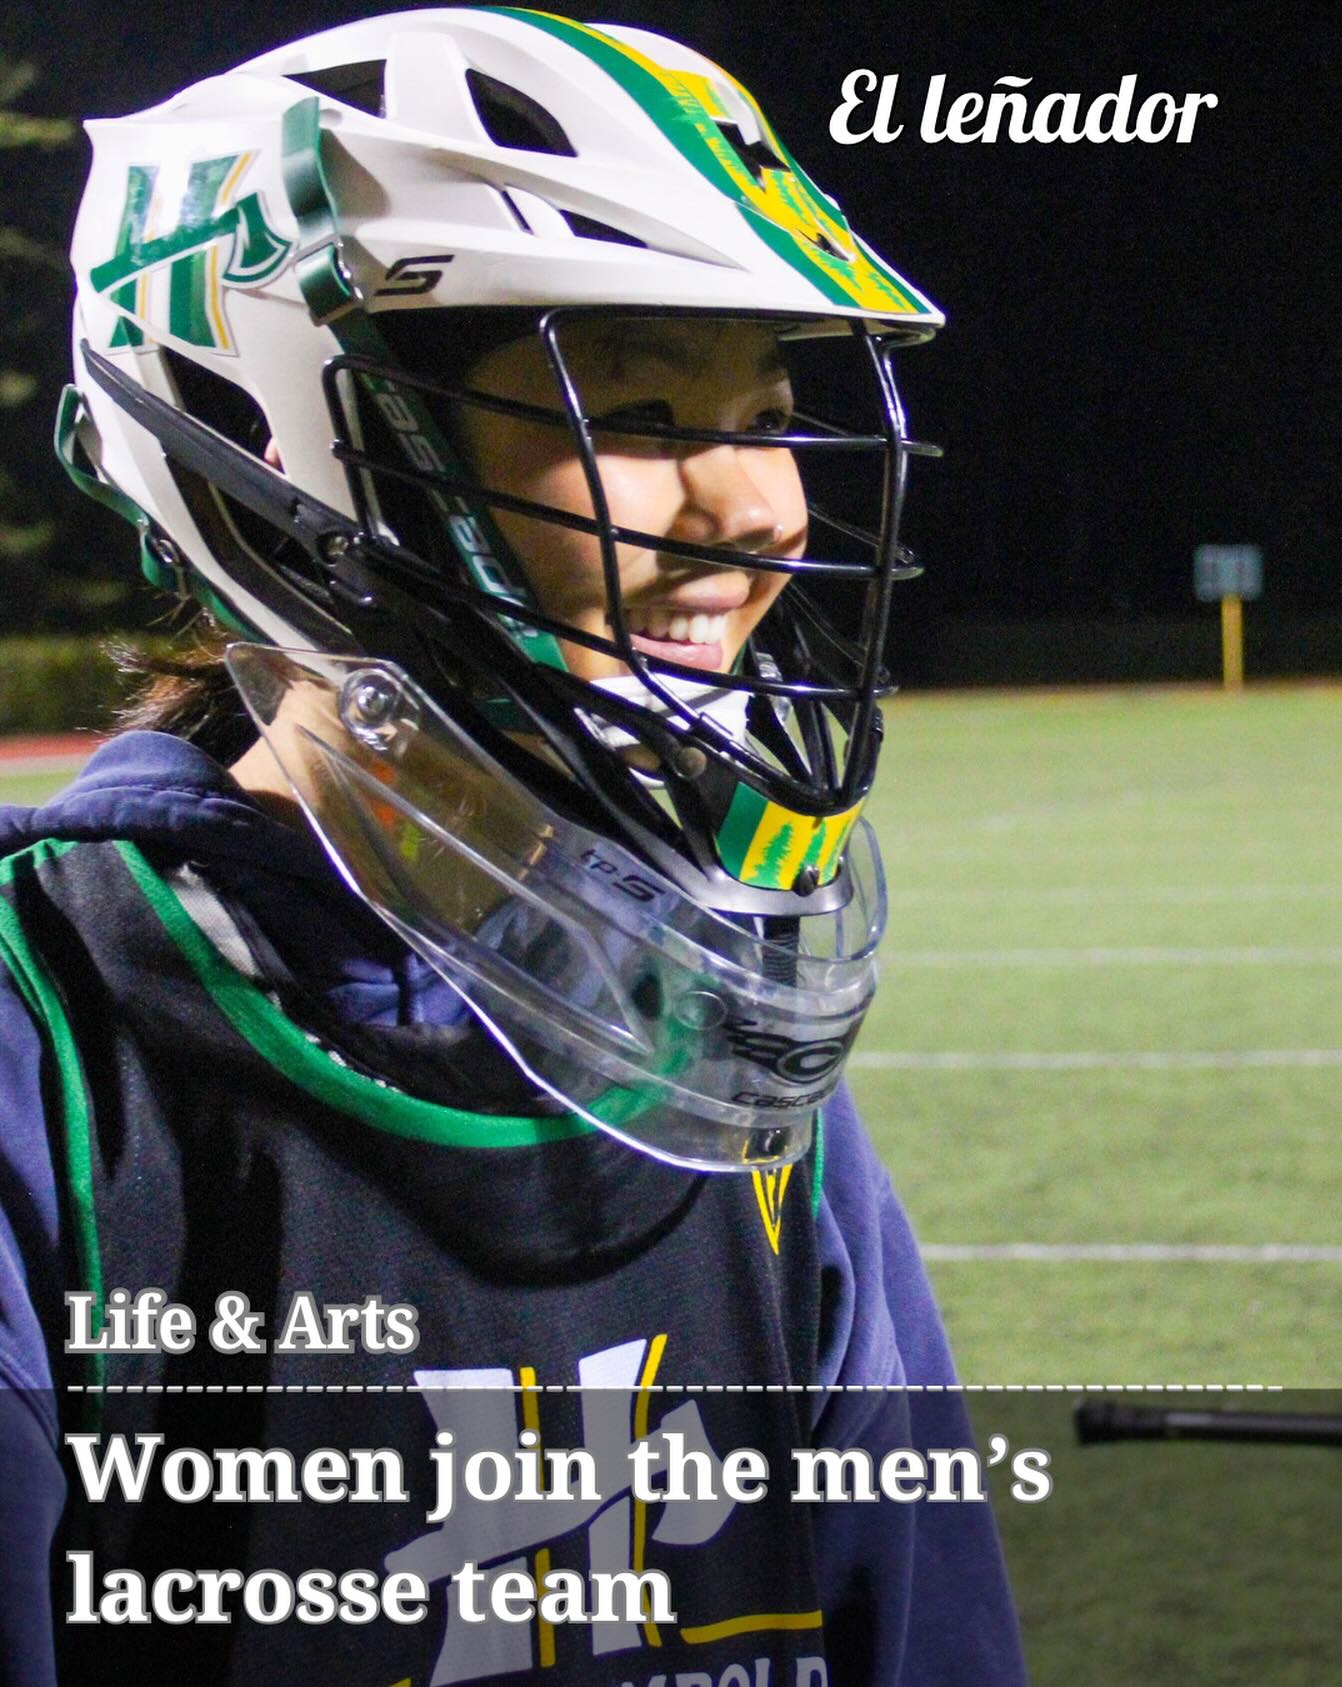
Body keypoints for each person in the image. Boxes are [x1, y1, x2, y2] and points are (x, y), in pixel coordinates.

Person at [0, 10, 1025, 1683]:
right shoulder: (46, 1048)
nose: (760, 507)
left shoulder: (726, 1056)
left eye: (764, 408)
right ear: (277, 458)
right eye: (636, 409)